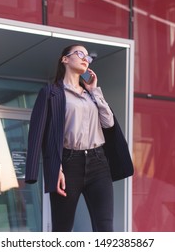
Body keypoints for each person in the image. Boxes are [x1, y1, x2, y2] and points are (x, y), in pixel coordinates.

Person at [25, 44, 133, 232]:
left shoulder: (91, 95)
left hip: (99, 163)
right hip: (68, 165)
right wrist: (54, 169)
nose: (85, 58)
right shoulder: (51, 93)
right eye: (80, 53)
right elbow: (37, 134)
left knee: (105, 228)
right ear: (65, 59)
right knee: (63, 229)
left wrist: (94, 90)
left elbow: (109, 123)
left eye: (88, 57)